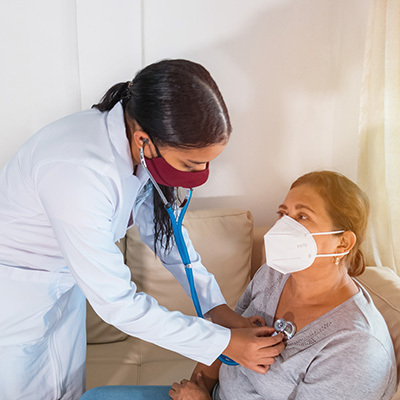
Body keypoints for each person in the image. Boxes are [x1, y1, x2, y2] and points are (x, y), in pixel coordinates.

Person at [0, 59, 284, 399]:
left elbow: (167, 238)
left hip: (64, 286)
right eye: (191, 164)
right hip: (17, 298)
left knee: (68, 391)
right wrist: (223, 342)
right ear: (144, 140)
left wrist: (216, 309)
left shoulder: (139, 148)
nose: (201, 173)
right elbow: (118, 304)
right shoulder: (78, 173)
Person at [169, 171, 397, 400]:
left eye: (302, 216)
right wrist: (194, 389)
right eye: (283, 213)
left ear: (342, 243)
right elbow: (225, 340)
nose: (285, 225)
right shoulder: (272, 275)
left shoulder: (356, 346)